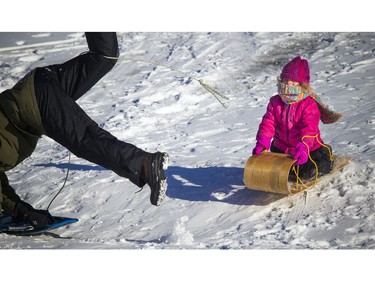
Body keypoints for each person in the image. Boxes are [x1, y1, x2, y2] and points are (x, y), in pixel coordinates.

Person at [0, 32, 168, 228]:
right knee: (104, 56)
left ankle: (146, 164)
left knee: (85, 139)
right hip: (38, 84)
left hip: (32, 104)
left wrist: (20, 210)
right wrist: (21, 209)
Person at [252, 56, 342, 182]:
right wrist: (263, 141)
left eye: (293, 83)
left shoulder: (309, 105)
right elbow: (268, 123)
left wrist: (304, 148)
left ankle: (325, 159)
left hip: (309, 150)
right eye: (286, 81)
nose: (289, 86)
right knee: (275, 172)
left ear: (302, 85)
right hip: (281, 149)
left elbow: (309, 129)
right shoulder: (275, 102)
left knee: (307, 172)